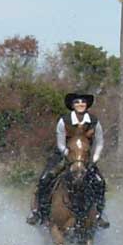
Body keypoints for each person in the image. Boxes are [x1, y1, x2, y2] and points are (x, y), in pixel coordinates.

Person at [27, 92, 109, 228]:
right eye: (77, 102)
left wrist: (95, 158)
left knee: (100, 182)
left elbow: (100, 142)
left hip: (84, 157)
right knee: (45, 178)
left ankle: (99, 215)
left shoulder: (94, 122)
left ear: (87, 104)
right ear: (72, 105)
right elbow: (60, 144)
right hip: (63, 154)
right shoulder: (63, 121)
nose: (80, 104)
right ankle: (38, 212)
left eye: (83, 102)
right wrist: (68, 155)